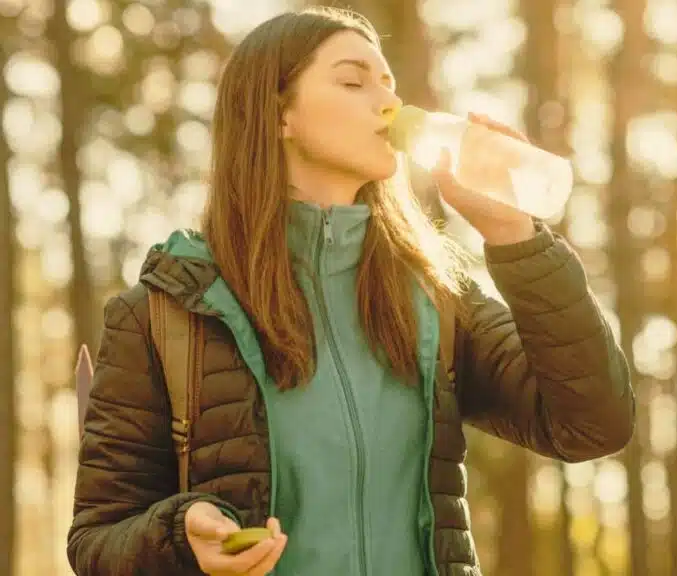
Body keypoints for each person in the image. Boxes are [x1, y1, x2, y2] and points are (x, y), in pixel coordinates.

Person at [67, 6, 634, 576]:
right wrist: (179, 538)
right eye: (352, 80)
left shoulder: (437, 299)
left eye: (389, 83)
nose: (387, 102)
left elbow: (592, 425)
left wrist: (515, 236)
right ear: (277, 113)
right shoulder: (163, 315)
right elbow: (97, 540)